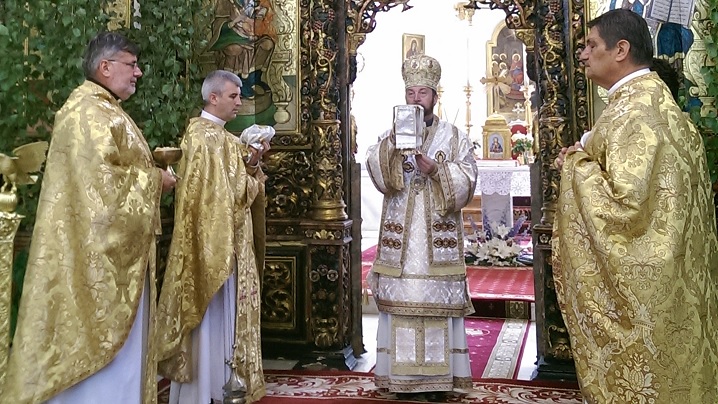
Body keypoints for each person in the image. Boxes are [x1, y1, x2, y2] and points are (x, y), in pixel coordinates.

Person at [553, 9, 718, 403]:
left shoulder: (634, 115)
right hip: (683, 291)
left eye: (591, 45)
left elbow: (624, 212)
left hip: (649, 302)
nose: (583, 54)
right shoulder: (660, 108)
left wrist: (572, 165)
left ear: (621, 49)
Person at [2, 32, 176, 403]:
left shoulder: (102, 109)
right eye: (131, 65)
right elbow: (102, 189)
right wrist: (153, 181)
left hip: (109, 257)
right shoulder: (90, 113)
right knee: (102, 366)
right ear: (105, 66)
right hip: (96, 264)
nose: (138, 72)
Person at [365, 54, 478, 396]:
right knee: (401, 306)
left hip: (436, 248)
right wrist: (390, 153)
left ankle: (441, 382)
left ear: (435, 95)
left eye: (423, 93)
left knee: (436, 309)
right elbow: (377, 170)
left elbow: (469, 178)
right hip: (400, 247)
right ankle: (398, 380)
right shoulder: (391, 135)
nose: (416, 99)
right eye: (411, 92)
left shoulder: (454, 137)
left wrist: (437, 172)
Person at [155, 69, 269, 404]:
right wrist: (253, 176)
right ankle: (207, 389)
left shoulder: (221, 138)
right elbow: (227, 195)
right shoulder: (204, 137)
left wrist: (252, 162)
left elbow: (228, 186)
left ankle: (222, 383)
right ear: (213, 97)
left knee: (223, 315)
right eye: (233, 96)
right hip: (215, 244)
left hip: (225, 240)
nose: (239, 102)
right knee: (212, 317)